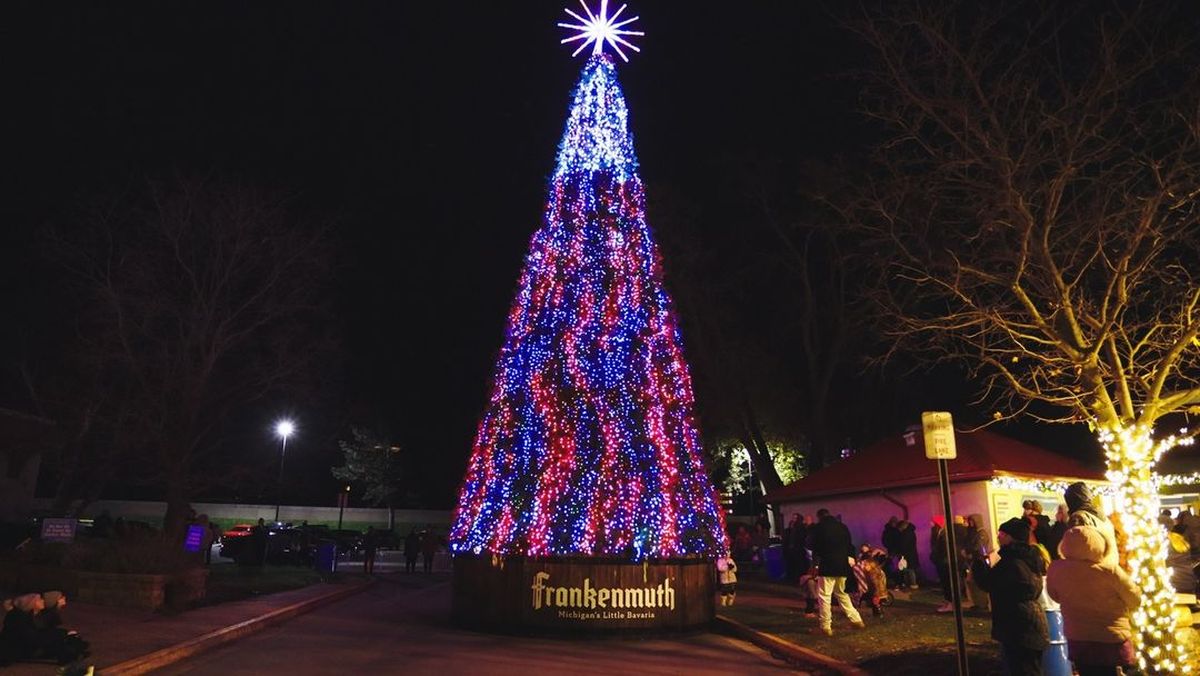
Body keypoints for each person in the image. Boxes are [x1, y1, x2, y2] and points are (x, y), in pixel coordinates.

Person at [1046, 525, 1139, 676]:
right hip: (1111, 638)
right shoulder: (1110, 571)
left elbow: (1054, 595)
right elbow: (1134, 599)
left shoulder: (1056, 569)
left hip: (1078, 636)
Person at [971, 518, 1049, 676]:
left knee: (1022, 668)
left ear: (1011, 537)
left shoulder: (1012, 561)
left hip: (1018, 624)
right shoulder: (1028, 557)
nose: (998, 537)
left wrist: (978, 565)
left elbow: (990, 583)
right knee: (1029, 667)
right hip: (1028, 621)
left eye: (1002, 534)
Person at [807, 508, 865, 636]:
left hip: (827, 566)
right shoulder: (842, 527)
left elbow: (812, 546)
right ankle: (856, 620)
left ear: (819, 517)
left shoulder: (819, 528)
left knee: (824, 596)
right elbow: (850, 545)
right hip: (842, 565)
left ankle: (825, 626)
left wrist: (815, 565)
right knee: (842, 593)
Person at [1064, 482, 1118, 567]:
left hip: (1090, 570)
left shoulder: (1078, 517)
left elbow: (1075, 549)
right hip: (1109, 567)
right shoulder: (1103, 517)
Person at [931, 516, 953, 612]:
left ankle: (950, 603)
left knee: (947, 583)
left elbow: (942, 548)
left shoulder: (943, 533)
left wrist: (939, 558)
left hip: (944, 562)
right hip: (941, 561)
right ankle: (947, 602)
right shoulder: (938, 532)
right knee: (944, 583)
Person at [896, 519, 919, 589]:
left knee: (909, 569)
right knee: (908, 569)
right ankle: (911, 584)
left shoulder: (906, 533)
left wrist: (901, 553)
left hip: (907, 554)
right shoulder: (910, 532)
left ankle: (912, 584)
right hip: (910, 554)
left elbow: (904, 545)